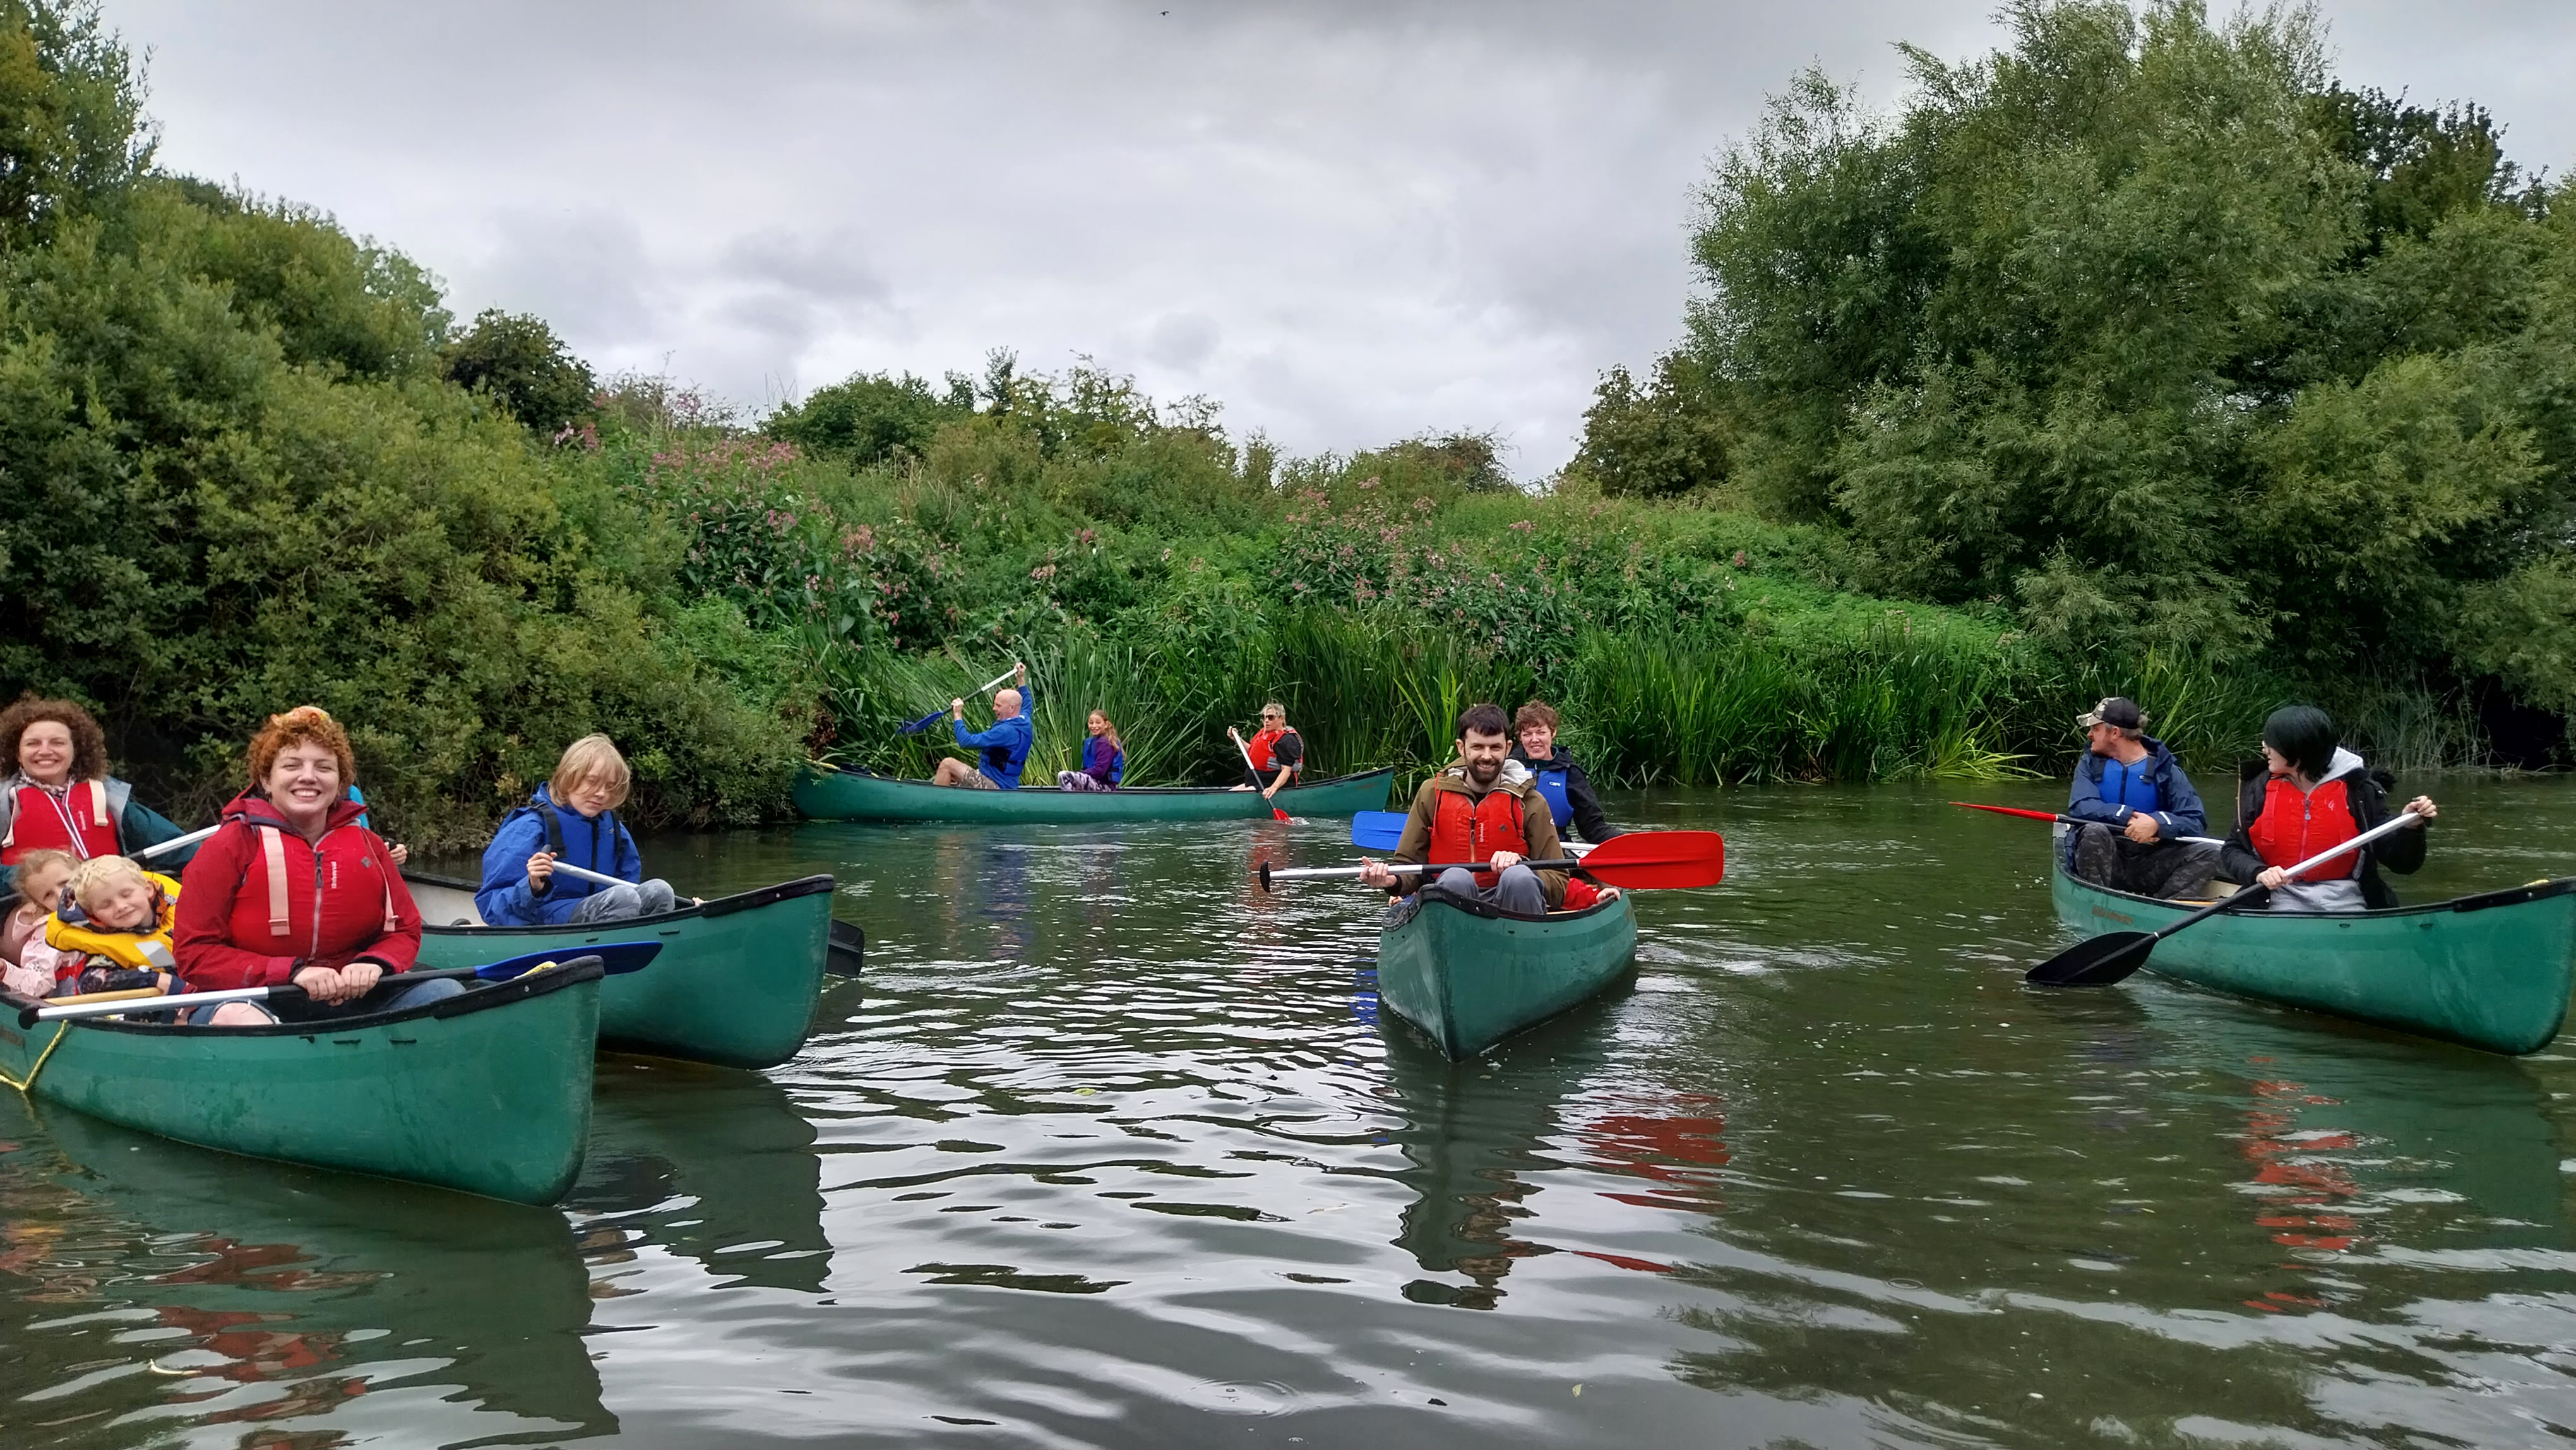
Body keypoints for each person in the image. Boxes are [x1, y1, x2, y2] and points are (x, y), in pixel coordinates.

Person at [174, 706, 456, 1026]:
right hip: (251, 995)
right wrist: (292, 972)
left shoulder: (369, 845)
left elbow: (404, 929)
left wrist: (375, 963)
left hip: (350, 995)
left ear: (339, 785)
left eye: (324, 768)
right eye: (292, 766)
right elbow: (193, 953)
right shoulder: (227, 847)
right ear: (267, 779)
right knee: (239, 1019)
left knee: (446, 994)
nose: (308, 777)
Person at [1359, 703, 1619, 917]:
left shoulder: (1532, 801)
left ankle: (1523, 957)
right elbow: (1408, 867)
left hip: (1515, 904)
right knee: (1455, 878)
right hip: (1452, 904)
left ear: (1507, 748)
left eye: (1495, 747)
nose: (1486, 756)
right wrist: (1392, 882)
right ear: (1462, 748)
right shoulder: (1431, 794)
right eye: (1477, 747)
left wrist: (1524, 864)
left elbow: (1558, 881)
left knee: (1519, 878)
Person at [2217, 705, 2435, 912]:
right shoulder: (2259, 788)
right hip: (2273, 898)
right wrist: (2258, 872)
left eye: (2272, 743)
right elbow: (2232, 849)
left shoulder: (2358, 790)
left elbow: (2403, 864)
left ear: (2297, 750)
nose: (2264, 748)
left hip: (2347, 900)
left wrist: (2409, 827)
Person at [0, 695, 195, 894]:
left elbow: (173, 845)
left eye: (57, 743)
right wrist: (35, 878)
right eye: (33, 744)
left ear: (75, 750)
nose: (45, 751)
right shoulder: (6, 801)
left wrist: (213, 863)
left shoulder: (105, 794)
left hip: (108, 900)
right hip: (34, 907)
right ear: (17, 753)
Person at [476, 734, 677, 925]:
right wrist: (533, 886)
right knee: (622, 898)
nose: (601, 794)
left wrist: (693, 912)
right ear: (569, 777)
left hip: (606, 908)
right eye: (592, 781)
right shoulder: (529, 826)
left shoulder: (613, 829)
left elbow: (630, 883)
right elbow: (492, 905)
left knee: (660, 891)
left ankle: (650, 950)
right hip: (543, 917)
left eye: (610, 786)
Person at [2062, 696, 2219, 899]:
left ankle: (2163, 907)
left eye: (2096, 728)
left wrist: (2157, 824)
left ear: (2115, 733)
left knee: (2210, 852)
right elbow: (2081, 806)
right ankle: (2097, 900)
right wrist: (2126, 816)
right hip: (2105, 858)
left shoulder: (2166, 769)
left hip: (2151, 862)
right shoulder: (2089, 764)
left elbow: (2195, 821)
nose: (2090, 734)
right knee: (2093, 831)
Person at [40, 854, 183, 998]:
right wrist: (154, 979)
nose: (121, 907)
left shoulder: (186, 912)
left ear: (148, 888)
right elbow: (90, 983)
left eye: (126, 895)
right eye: (106, 905)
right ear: (94, 915)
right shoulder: (106, 947)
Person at [1506, 700, 1623, 844]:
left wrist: (1624, 841)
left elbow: (1593, 828)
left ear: (1553, 732)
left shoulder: (1571, 774)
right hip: (1511, 849)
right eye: (1528, 734)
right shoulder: (1506, 769)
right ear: (1520, 737)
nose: (1534, 740)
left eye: (1541, 733)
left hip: (1556, 848)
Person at [933, 663, 1034, 790]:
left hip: (995, 786)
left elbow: (965, 742)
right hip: (1001, 782)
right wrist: (1020, 678)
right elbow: (1027, 700)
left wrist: (958, 715)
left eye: (998, 705)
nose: (994, 708)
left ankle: (934, 804)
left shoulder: (1005, 732)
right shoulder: (1024, 719)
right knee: (952, 776)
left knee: (947, 764)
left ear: (1012, 708)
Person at [1, 848, 75, 998]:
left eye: (65, 883)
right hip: (81, 1005)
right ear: (41, 906)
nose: (61, 895)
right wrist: (5, 970)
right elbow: (35, 984)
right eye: (48, 895)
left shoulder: (118, 906)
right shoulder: (48, 936)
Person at [1228, 702, 1303, 805]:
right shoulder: (1265, 734)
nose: (1266, 721)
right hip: (1256, 782)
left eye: (1271, 717)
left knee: (1233, 799)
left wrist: (1274, 788)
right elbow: (1252, 751)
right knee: (1229, 794)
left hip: (1270, 784)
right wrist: (1237, 739)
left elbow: (1286, 770)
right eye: (1264, 717)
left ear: (1282, 718)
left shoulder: (1285, 740)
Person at [1056, 710, 1124, 792]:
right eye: (1091, 723)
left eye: (1098, 723)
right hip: (1095, 782)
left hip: (1106, 787)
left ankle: (1070, 800)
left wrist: (1080, 773)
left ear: (1106, 724)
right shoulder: (1092, 742)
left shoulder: (1105, 743)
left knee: (1064, 775)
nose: (1094, 726)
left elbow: (1100, 771)